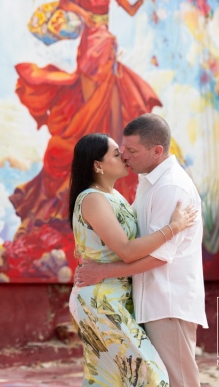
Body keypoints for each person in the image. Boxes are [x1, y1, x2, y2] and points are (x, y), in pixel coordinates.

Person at [11, 0, 161, 233]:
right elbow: (66, 3)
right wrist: (82, 14)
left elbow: (131, 9)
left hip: (106, 45)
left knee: (109, 109)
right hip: (88, 47)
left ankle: (106, 185)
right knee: (85, 112)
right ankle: (83, 178)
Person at [74, 114, 207, 387]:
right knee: (131, 379)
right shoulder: (145, 184)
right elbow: (128, 246)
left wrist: (103, 271)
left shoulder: (169, 186)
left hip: (165, 300)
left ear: (156, 151)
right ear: (98, 166)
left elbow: (159, 255)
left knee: (171, 380)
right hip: (127, 300)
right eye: (121, 151)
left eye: (130, 151)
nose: (125, 157)